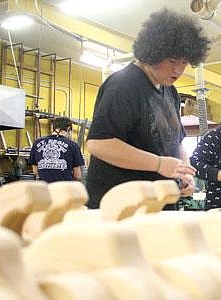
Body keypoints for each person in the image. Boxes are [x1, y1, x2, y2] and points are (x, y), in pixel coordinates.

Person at [85, 8, 211, 209]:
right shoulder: (123, 85)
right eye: (171, 61)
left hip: (157, 204)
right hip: (120, 207)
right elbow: (99, 143)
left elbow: (176, 142)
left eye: (184, 63)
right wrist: (159, 164)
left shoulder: (170, 91)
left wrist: (184, 171)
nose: (178, 70)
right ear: (152, 53)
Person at [29, 117, 84, 183]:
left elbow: (35, 170)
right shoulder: (73, 145)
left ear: (53, 127)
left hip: (43, 188)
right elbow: (77, 176)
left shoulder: (37, 143)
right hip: (64, 188)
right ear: (68, 128)